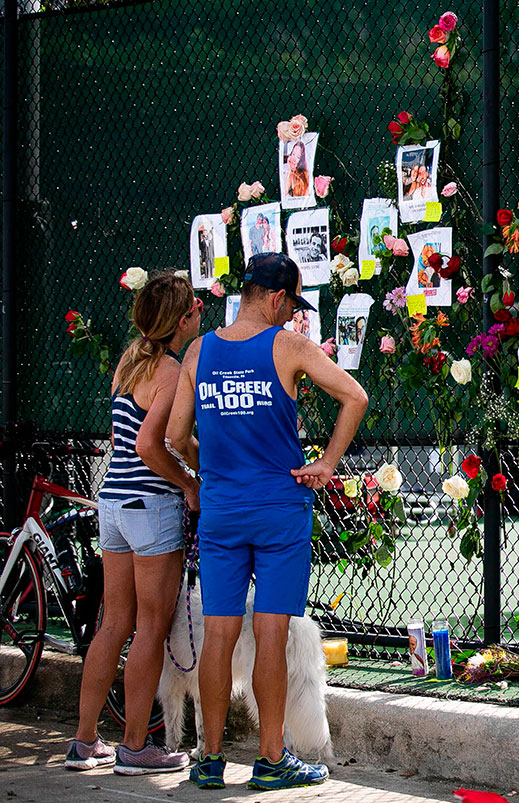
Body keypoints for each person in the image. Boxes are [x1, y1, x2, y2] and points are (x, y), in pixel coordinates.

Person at [167, 252, 368, 790]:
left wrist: (212, 464)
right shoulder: (289, 347)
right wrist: (326, 463)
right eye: (292, 305)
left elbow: (173, 435)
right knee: (272, 634)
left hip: (222, 510)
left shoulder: (198, 351)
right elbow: (355, 395)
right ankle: (272, 759)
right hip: (279, 511)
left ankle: (208, 759)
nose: (292, 316)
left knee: (219, 635)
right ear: (277, 298)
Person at [67, 274, 202, 775]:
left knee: (114, 623)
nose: (200, 309)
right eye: (194, 305)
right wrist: (189, 484)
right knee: (150, 627)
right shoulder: (169, 370)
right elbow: (150, 445)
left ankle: (84, 742)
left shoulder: (129, 360)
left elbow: (123, 436)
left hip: (114, 503)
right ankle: (134, 747)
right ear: (182, 319)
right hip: (150, 504)